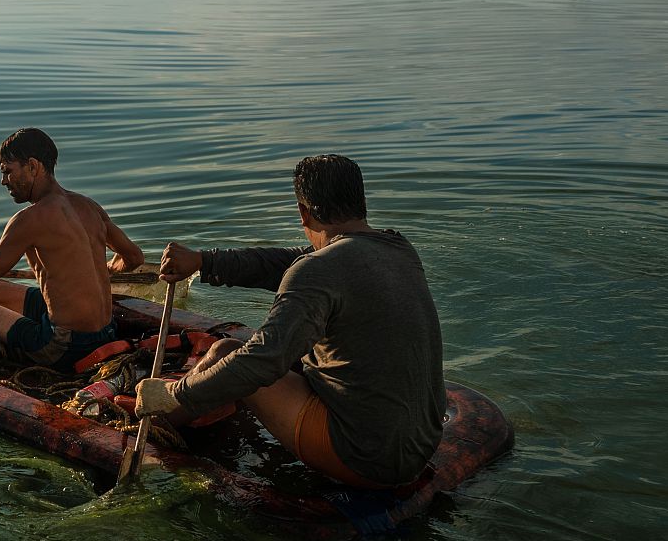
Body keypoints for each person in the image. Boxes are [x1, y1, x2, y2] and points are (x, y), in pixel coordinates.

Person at [134, 154, 444, 489]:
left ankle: (155, 425)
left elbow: (263, 361)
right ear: (362, 203)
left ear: (303, 212)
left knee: (226, 352)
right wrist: (202, 262)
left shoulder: (319, 268)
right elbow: (288, 263)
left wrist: (175, 393)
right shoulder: (398, 248)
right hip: (420, 445)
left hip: (366, 458)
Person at [0, 128, 144, 370]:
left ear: (33, 166)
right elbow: (133, 257)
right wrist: (102, 270)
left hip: (66, 346)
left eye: (8, 171)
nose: (4, 181)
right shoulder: (89, 206)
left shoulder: (29, 220)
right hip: (107, 332)